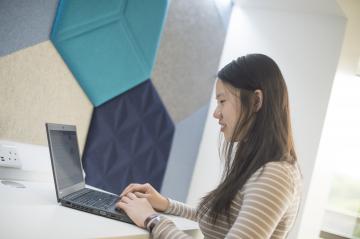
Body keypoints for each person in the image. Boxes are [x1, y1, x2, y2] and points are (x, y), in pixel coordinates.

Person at [116, 54, 302, 238]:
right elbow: (221, 221)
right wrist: (165, 204)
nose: (216, 113)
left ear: (256, 101)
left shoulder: (276, 175)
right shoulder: (260, 165)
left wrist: (152, 219)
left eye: (222, 101)